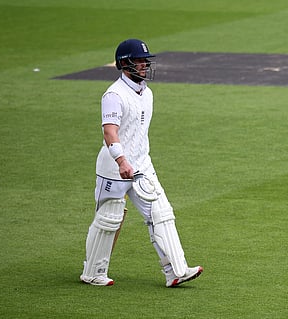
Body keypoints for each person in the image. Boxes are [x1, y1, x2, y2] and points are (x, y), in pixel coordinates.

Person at [80, 39, 203, 287]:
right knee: (109, 220)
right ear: (125, 64)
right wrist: (122, 160)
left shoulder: (146, 92)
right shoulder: (114, 95)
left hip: (142, 165)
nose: (145, 65)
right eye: (139, 61)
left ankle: (175, 271)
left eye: (146, 61)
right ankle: (93, 272)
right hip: (114, 168)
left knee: (161, 213)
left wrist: (135, 161)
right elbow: (110, 132)